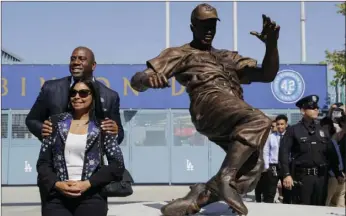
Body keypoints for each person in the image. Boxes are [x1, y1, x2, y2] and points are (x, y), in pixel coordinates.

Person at [130, 3, 280, 215]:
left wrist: (271, 45)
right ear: (192, 26)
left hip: (232, 109)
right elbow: (137, 80)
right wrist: (148, 79)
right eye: (203, 25)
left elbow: (267, 75)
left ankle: (197, 197)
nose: (209, 30)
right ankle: (225, 177)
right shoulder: (180, 53)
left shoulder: (228, 57)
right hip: (208, 104)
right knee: (259, 120)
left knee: (252, 169)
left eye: (212, 25)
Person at [37, 78, 125, 216]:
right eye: (73, 93)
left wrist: (88, 184)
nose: (77, 96)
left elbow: (117, 164)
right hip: (57, 197)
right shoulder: (54, 123)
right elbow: (43, 163)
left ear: (93, 96)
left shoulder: (103, 126)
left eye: (83, 93)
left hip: (91, 196)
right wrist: (57, 184)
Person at [25, 46, 124, 144]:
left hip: (91, 158)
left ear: (93, 65)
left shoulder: (110, 96)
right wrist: (43, 130)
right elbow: (32, 120)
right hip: (56, 157)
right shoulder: (50, 89)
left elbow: (119, 134)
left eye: (82, 59)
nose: (76, 62)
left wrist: (114, 132)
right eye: (73, 59)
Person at [279, 95, 342, 206]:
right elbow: (283, 153)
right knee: (304, 209)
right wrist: (286, 174)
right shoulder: (294, 130)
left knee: (320, 208)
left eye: (317, 107)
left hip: (322, 177)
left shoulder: (323, 129)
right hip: (302, 178)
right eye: (312, 107)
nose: (316, 109)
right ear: (303, 111)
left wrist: (337, 173)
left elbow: (331, 152)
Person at [261, 114, 288, 203]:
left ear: (286, 125)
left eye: (282, 124)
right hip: (273, 166)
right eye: (278, 124)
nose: (280, 126)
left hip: (286, 166)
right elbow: (266, 151)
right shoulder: (271, 137)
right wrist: (267, 165)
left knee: (287, 191)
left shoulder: (289, 136)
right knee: (270, 191)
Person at [321, 116, 345, 207]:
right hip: (335, 174)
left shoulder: (332, 141)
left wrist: (339, 172)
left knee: (330, 200)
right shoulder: (334, 139)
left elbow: (336, 157)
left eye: (327, 127)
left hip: (333, 175)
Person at [255, 118, 278, 202]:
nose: (273, 128)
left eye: (273, 126)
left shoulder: (277, 137)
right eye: (271, 126)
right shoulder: (264, 135)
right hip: (261, 163)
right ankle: (258, 200)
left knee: (269, 186)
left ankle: (267, 200)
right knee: (259, 185)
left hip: (270, 165)